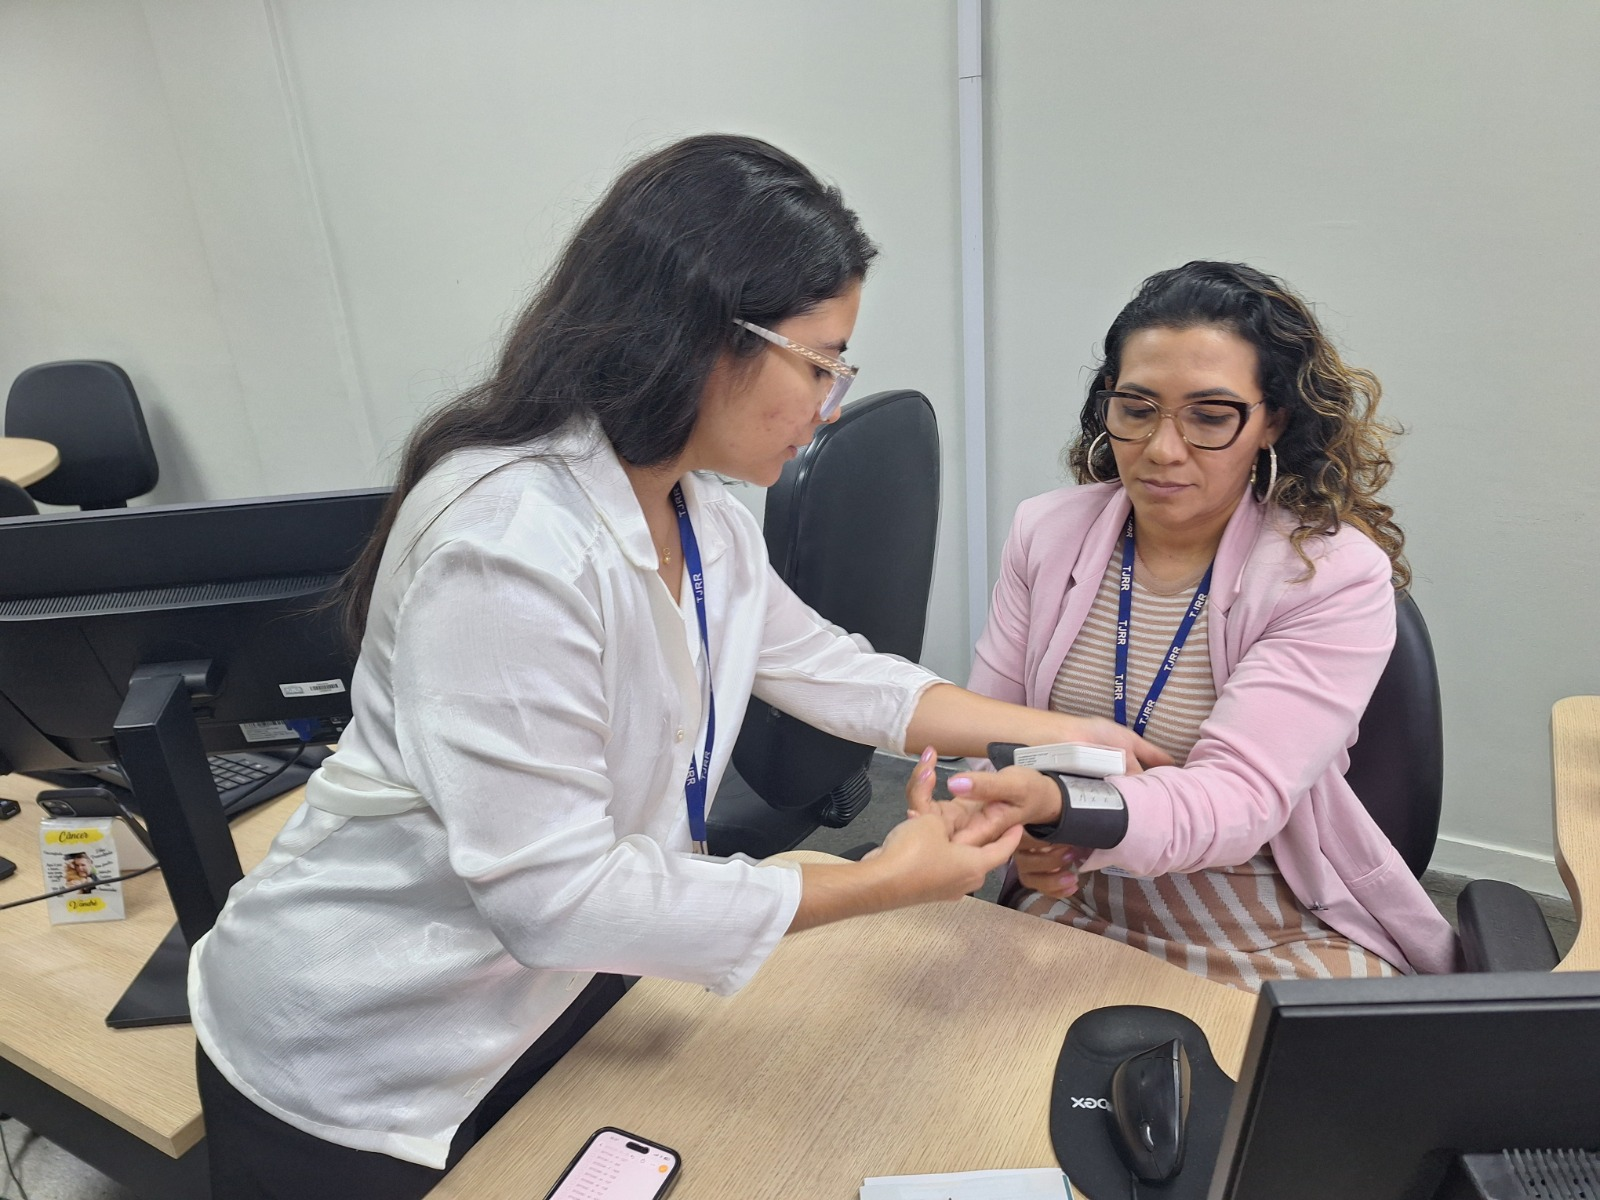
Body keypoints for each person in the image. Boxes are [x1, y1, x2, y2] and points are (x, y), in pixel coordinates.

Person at [187, 134, 1162, 1200]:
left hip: (550, 995)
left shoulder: (700, 517)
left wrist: (1056, 736)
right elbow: (555, 898)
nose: (830, 405)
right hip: (366, 1047)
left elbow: (835, 672)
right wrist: (878, 882)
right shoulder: (509, 543)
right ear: (706, 336)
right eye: (821, 363)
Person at [948, 261, 1457, 991]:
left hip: (1267, 919)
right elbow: (986, 736)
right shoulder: (1045, 532)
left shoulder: (1331, 573)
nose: (1163, 449)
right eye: (1137, 408)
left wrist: (1066, 812)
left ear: (1272, 420)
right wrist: (1014, 828)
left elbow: (1239, 799)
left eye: (1211, 417)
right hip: (1072, 898)